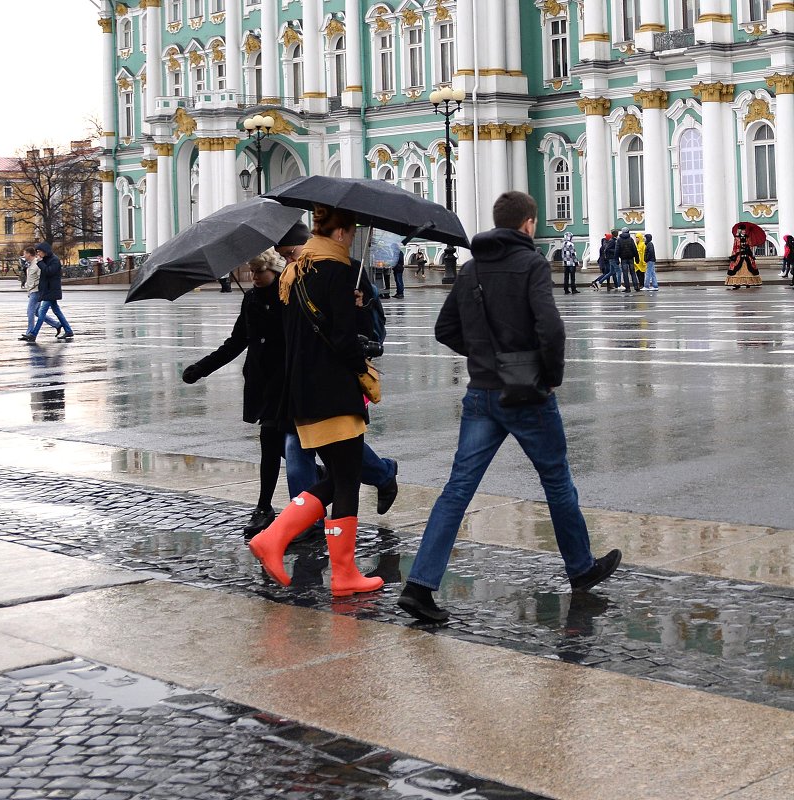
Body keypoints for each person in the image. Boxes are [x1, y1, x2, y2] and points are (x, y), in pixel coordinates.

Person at [396, 191, 621, 623]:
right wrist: (548, 376)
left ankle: (419, 585)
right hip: (527, 395)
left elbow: (445, 328)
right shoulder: (532, 264)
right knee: (556, 481)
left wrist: (482, 357)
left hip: (481, 392)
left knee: (457, 489)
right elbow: (550, 329)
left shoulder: (471, 268)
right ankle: (580, 568)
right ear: (528, 224)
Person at [248, 205, 385, 597]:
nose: (353, 237)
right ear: (341, 232)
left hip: (303, 393)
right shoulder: (337, 271)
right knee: (347, 481)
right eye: (352, 230)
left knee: (339, 475)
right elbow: (343, 340)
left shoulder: (293, 273)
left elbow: (302, 335)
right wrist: (361, 360)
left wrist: (350, 307)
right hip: (335, 393)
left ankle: (274, 539)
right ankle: (342, 573)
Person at [274, 223, 399, 516]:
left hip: (323, 387)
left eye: (290, 254)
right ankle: (381, 477)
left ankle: (297, 528)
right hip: (318, 386)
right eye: (284, 257)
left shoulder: (345, 270)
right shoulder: (291, 279)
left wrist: (358, 308)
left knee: (339, 474)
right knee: (341, 476)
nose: (289, 262)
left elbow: (367, 329)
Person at [181, 249, 287, 537]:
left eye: (259, 272)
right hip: (261, 381)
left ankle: (268, 506)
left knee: (280, 443)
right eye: (251, 272)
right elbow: (236, 342)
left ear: (275, 272)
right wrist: (201, 368)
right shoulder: (251, 298)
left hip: (287, 380)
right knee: (276, 444)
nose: (254, 277)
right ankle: (269, 505)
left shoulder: (290, 296)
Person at [19, 242, 74, 342]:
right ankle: (68, 330)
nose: (38, 254)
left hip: (51, 290)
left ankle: (33, 334)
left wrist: (40, 263)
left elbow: (48, 272)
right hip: (47, 290)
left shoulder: (54, 260)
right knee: (56, 311)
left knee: (41, 312)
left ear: (45, 251)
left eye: (39, 251)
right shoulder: (46, 259)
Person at [725, 224, 762, 289]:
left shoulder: (748, 237)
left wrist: (748, 248)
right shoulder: (736, 238)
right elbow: (735, 247)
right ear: (740, 230)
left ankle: (748, 283)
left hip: (746, 254)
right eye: (742, 230)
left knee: (749, 268)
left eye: (744, 230)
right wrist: (734, 255)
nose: (744, 231)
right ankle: (737, 284)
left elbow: (750, 245)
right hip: (739, 255)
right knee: (737, 268)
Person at [617, 228, 640, 293]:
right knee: (633, 273)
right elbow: (634, 249)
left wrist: (616, 259)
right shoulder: (631, 239)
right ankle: (636, 287)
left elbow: (617, 250)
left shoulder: (619, 240)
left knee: (625, 274)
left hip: (623, 259)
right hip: (631, 259)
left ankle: (628, 288)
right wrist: (637, 258)